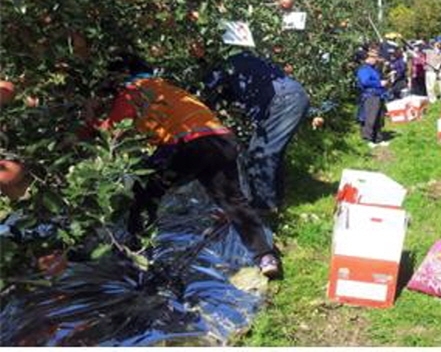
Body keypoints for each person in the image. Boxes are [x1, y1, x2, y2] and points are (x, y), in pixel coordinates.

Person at [87, 53, 282, 278]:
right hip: (222, 138)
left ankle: (136, 258)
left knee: (144, 195)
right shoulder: (168, 88)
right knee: (233, 201)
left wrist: (89, 116)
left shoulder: (132, 91)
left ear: (122, 75)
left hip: (188, 144)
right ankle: (266, 257)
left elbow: (110, 132)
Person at [203, 51, 310, 214]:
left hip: (285, 101)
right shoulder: (243, 58)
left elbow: (206, 86)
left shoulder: (226, 62)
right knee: (272, 151)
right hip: (291, 97)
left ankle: (263, 207)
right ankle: (275, 199)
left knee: (261, 152)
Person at [356, 49, 389, 147]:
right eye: (374, 57)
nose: (376, 59)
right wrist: (379, 83)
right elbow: (365, 82)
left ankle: (378, 138)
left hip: (378, 95)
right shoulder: (363, 69)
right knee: (370, 118)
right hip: (370, 96)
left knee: (379, 118)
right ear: (368, 58)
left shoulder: (373, 68)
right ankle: (368, 139)